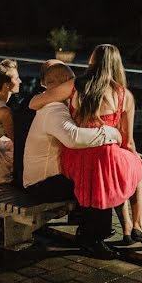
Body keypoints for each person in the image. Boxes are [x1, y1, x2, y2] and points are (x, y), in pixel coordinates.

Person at [30, 44, 142, 258]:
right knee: (133, 167)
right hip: (104, 160)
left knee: (116, 169)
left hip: (75, 159)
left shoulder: (75, 85)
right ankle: (137, 226)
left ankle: (127, 228)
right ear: (117, 66)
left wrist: (60, 104)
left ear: (92, 62)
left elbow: (34, 103)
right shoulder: (124, 95)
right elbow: (128, 141)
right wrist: (133, 155)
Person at [23, 60, 123, 205]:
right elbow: (73, 138)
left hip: (41, 182)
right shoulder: (54, 109)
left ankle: (91, 224)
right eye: (73, 82)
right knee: (99, 183)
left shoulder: (52, 104)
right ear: (65, 83)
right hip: (41, 186)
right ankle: (95, 228)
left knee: (97, 174)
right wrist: (111, 133)